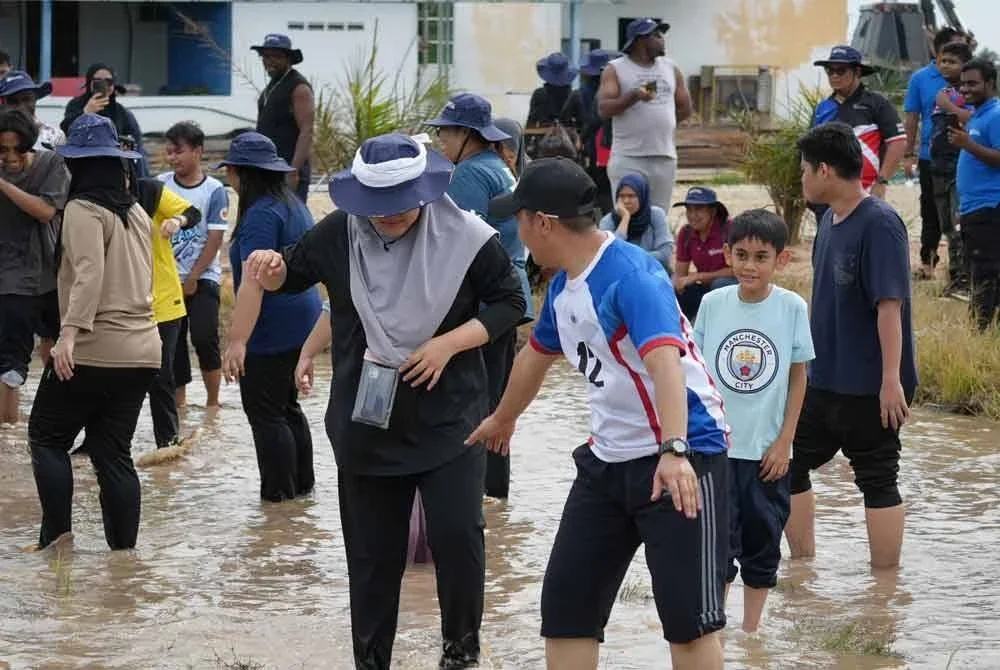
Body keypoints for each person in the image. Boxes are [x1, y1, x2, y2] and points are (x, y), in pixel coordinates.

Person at [236, 133, 525, 668]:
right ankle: (372, 662)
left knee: (459, 538)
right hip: (367, 422)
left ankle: (460, 654)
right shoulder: (341, 232)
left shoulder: (467, 238)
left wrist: (447, 343)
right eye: (377, 206)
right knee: (371, 559)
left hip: (450, 420)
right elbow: (290, 274)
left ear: (425, 192)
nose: (388, 216)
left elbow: (510, 301)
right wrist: (271, 270)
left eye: (400, 205)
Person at [468, 156, 727, 670]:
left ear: (542, 222)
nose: (513, 229)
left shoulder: (630, 275)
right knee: (566, 610)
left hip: (681, 458)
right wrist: (502, 419)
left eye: (517, 219)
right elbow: (535, 357)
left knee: (688, 623)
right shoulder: (565, 286)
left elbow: (665, 365)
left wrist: (675, 451)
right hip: (606, 463)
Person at [787, 122, 916, 570]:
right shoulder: (827, 223)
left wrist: (890, 381)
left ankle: (884, 589)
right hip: (823, 380)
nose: (801, 178)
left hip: (869, 385)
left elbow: (889, 307)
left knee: (878, 478)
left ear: (824, 170)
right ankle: (801, 568)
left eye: (805, 169)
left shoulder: (879, 223)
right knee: (785, 461)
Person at [29, 113, 161, 550]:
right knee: (112, 454)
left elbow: (88, 272)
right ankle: (124, 558)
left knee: (46, 437)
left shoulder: (83, 210)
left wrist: (67, 335)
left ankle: (57, 539)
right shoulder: (138, 212)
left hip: (94, 347)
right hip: (143, 351)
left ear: (77, 166)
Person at [692, 209, 814, 633]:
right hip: (716, 450)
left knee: (762, 544)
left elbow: (799, 378)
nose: (749, 265)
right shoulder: (712, 303)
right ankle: (717, 631)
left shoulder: (791, 307)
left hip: (766, 453)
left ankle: (751, 634)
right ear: (727, 253)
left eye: (761, 257)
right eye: (740, 254)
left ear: (781, 259)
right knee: (716, 547)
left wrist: (785, 444)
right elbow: (698, 374)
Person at [425, 93, 535, 500]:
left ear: (467, 135)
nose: (440, 141)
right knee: (496, 402)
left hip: (487, 304)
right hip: (510, 296)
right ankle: (495, 497)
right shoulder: (499, 167)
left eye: (445, 133)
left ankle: (477, 496)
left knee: (475, 404)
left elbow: (456, 245)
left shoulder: (469, 175)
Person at [219, 132, 321, 501]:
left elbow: (253, 282)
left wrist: (236, 341)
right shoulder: (291, 203)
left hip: (274, 325)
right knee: (287, 407)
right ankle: (301, 492)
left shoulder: (262, 213)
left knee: (266, 414)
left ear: (240, 173)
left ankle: (278, 500)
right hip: (304, 319)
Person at [127, 143, 201, 453]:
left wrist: (176, 222)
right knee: (117, 376)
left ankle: (167, 442)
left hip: (163, 300)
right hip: (120, 301)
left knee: (161, 375)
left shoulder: (151, 193)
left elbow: (192, 213)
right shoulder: (90, 200)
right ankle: (106, 442)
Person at [0, 107, 69, 425]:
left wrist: (4, 185)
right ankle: (7, 436)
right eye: (3, 150)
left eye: (18, 149)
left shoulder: (51, 164)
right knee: (11, 365)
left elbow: (45, 211)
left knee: (62, 352)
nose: (11, 158)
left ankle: (53, 423)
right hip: (10, 280)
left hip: (53, 274)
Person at [158, 121, 229, 409]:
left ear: (198, 152)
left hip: (204, 277)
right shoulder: (161, 184)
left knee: (204, 337)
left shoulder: (214, 190)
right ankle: (180, 405)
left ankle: (213, 404)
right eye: (169, 152)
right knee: (172, 346)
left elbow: (214, 239)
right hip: (167, 279)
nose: (173, 158)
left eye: (179, 152)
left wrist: (194, 277)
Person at [598, 18, 693, 211]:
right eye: (657, 35)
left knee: (658, 215)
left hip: (664, 156)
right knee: (627, 214)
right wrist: (634, 96)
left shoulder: (671, 68)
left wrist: (662, 123)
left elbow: (685, 107)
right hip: (628, 157)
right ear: (640, 40)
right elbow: (604, 109)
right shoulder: (616, 68)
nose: (662, 39)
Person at [904, 28, 972, 280]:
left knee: (959, 215)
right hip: (930, 158)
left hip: (965, 157)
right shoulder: (921, 79)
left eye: (958, 55)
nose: (950, 61)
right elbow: (912, 117)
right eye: (948, 54)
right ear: (938, 51)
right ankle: (928, 262)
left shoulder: (970, 82)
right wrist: (908, 154)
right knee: (932, 211)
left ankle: (961, 272)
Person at [809, 46, 905, 221]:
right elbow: (810, 150)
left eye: (841, 70)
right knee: (829, 244)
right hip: (827, 194)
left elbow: (898, 142)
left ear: (857, 72)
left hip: (864, 192)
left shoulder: (877, 103)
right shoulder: (823, 109)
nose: (834, 76)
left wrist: (882, 182)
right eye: (830, 71)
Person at [950, 58, 1000, 330]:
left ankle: (980, 330)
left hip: (990, 208)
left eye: (972, 83)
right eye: (962, 84)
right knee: (979, 269)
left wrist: (967, 144)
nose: (965, 90)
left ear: (990, 83)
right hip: (974, 208)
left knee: (985, 272)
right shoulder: (977, 114)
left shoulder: (996, 115)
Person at [928, 41, 974, 296]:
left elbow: (971, 119)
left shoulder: (968, 96)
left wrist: (951, 107)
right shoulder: (943, 92)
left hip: (959, 167)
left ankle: (964, 278)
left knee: (959, 225)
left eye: (952, 61)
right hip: (939, 167)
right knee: (946, 224)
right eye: (942, 60)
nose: (945, 65)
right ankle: (955, 276)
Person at [251, 33, 315, 202]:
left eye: (276, 56)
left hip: (287, 168)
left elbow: (306, 131)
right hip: (268, 167)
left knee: (290, 220)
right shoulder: (273, 85)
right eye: (265, 56)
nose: (269, 61)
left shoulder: (298, 87)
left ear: (288, 59)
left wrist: (293, 171)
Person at [60, 63, 148, 177]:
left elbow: (137, 146)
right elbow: (66, 129)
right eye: (98, 81)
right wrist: (86, 112)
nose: (104, 85)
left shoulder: (121, 112)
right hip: (83, 165)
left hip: (115, 168)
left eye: (108, 81)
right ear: (89, 82)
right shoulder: (76, 104)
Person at [562, 49, 620, 217]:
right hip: (613, 142)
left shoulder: (578, 94)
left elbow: (567, 118)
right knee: (610, 185)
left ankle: (597, 217)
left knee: (595, 184)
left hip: (591, 145)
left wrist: (579, 137)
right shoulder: (614, 93)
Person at [672, 186, 737, 320]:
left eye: (698, 209)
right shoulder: (686, 233)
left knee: (720, 284)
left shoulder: (730, 229)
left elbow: (738, 270)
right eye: (689, 210)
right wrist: (676, 284)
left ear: (713, 211)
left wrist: (698, 276)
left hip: (733, 288)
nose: (692, 215)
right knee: (676, 290)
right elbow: (680, 274)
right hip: (705, 288)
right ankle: (686, 329)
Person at [599, 172, 674, 272]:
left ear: (642, 196)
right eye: (622, 196)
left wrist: (629, 258)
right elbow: (611, 254)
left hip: (653, 273)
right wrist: (625, 219)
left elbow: (665, 253)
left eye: (631, 196)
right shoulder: (608, 221)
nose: (626, 201)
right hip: (622, 275)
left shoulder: (656, 215)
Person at [0, 70, 66, 148]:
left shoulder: (54, 136)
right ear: (3, 103)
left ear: (35, 100)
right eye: (13, 101)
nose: (20, 107)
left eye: (26, 99)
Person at [527, 52, 578, 128]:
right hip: (570, 136)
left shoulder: (539, 94)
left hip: (542, 135)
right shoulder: (574, 96)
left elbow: (531, 123)